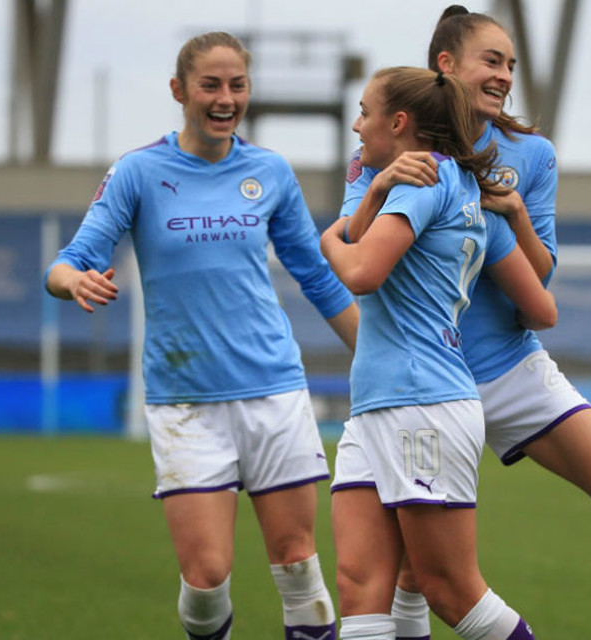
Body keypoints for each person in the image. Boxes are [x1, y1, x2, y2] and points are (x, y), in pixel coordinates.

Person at [342, 7, 591, 639]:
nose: (504, 76)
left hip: (502, 367)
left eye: (510, 65)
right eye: (491, 61)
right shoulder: (397, 157)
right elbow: (365, 254)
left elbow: (540, 290)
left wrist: (514, 216)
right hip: (423, 381)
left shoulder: (528, 156)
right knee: (410, 577)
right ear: (446, 65)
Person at [44, 31, 358, 640]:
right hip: (185, 400)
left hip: (273, 389)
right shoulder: (139, 172)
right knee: (207, 577)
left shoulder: (268, 171)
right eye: (210, 85)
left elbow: (317, 277)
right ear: (179, 90)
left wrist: (372, 351)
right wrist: (71, 282)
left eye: (237, 85)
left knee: (298, 566)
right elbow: (70, 259)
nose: (225, 98)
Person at [321, 66, 557, 640]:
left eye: (364, 112)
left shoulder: (424, 184)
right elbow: (543, 311)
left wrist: (326, 238)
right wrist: (375, 191)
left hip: (421, 405)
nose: (357, 125)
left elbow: (360, 270)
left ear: (397, 123)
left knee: (451, 591)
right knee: (358, 587)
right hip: (379, 405)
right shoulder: (454, 188)